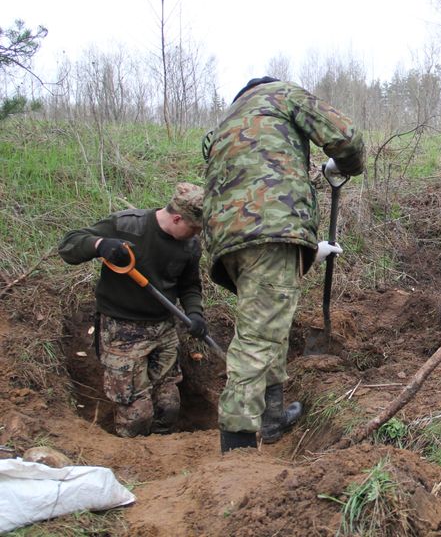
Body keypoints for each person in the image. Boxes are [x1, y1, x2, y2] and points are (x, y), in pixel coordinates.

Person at [203, 77, 365, 453]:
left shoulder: (226, 121)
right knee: (258, 340)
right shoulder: (280, 94)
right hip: (271, 231)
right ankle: (238, 447)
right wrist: (345, 166)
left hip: (228, 239)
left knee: (269, 326)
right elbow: (346, 138)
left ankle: (271, 418)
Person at [58, 182, 206, 437]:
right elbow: (69, 245)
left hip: (164, 329)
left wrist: (195, 313)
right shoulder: (127, 225)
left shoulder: (190, 245)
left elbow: (190, 285)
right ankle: (130, 455)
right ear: (177, 218)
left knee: (168, 406)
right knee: (137, 414)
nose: (196, 235)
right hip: (122, 331)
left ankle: (164, 452)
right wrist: (101, 245)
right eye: (194, 228)